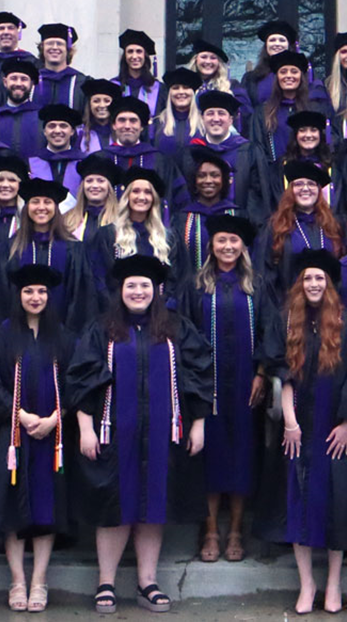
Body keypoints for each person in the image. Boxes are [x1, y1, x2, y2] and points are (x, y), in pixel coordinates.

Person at [67, 255, 213, 615]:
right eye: (131, 285)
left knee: (152, 505)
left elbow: (199, 374)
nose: (138, 291)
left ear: (156, 290)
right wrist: (85, 427)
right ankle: (106, 582)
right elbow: (83, 376)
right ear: (121, 290)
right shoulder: (102, 329)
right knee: (114, 505)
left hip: (164, 433)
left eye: (145, 285)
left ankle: (147, 581)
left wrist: (198, 423)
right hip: (114, 432)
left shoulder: (176, 328)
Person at [255, 249, 347, 615]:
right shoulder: (287, 321)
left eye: (320, 278)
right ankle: (308, 583)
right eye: (307, 278)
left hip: (335, 426)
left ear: (330, 284)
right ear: (299, 285)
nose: (314, 284)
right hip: (299, 427)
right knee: (298, 500)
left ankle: (334, 581)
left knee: (337, 503)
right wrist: (289, 422)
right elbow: (281, 370)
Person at [176, 216, 269, 564]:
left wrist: (261, 371)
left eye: (234, 240)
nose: (228, 246)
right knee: (211, 454)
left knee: (243, 451)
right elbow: (183, 332)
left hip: (247, 383)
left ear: (243, 246)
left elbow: (269, 330)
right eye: (220, 241)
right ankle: (211, 528)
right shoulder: (196, 285)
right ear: (210, 245)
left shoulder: (256, 285)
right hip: (207, 383)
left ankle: (236, 530)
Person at [0, 264, 73, 613]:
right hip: (12, 436)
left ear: (49, 297)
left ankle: (40, 580)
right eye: (29, 292)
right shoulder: (1, 335)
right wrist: (17, 414)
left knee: (47, 506)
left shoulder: (64, 337)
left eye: (42, 292)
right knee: (10, 506)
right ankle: (17, 579)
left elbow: (75, 382)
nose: (35, 297)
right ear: (18, 297)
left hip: (54, 438)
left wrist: (55, 418)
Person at [0, 177, 93, 331]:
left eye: (47, 202)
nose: (41, 207)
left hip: (62, 337)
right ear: (27, 207)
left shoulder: (74, 249)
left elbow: (80, 299)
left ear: (56, 209)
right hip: (17, 335)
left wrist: (69, 337)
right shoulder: (10, 248)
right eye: (35, 201)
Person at [87, 168, 182, 303]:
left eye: (148, 192)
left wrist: (162, 306)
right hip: (116, 311)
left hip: (159, 312)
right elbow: (99, 277)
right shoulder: (108, 234)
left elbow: (174, 279)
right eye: (135, 191)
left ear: (153, 199)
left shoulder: (168, 238)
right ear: (127, 197)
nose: (141, 197)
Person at [253, 161, 345, 300]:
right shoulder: (276, 226)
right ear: (290, 190)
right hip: (288, 306)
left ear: (319, 190)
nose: (305, 188)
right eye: (299, 184)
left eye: (311, 184)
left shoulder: (333, 225)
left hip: (329, 306)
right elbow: (266, 273)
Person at [178, 91, 268, 218]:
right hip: (199, 225)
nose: (216, 119)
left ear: (231, 120)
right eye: (210, 113)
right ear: (202, 118)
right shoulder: (191, 153)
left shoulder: (249, 151)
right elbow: (187, 194)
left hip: (238, 226)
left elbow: (256, 197)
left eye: (221, 113)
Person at [96, 96, 183, 209]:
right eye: (122, 120)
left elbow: (175, 198)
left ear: (141, 126)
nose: (127, 126)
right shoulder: (100, 160)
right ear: (114, 125)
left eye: (133, 121)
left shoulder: (160, 161)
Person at [170, 149, 241, 277]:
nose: (208, 181)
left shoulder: (238, 216)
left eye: (215, 175)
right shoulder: (182, 219)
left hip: (228, 291)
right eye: (201, 175)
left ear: (224, 180)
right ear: (195, 182)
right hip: (190, 291)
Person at [249, 50, 323, 163]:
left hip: (306, 175)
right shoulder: (263, 112)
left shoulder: (314, 109)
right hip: (272, 175)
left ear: (301, 77)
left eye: (294, 71)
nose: (289, 76)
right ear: (277, 77)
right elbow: (258, 150)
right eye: (283, 72)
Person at [265, 110, 341, 211]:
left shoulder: (332, 166)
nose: (308, 135)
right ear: (296, 135)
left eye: (313, 130)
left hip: (325, 222)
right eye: (302, 130)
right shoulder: (281, 166)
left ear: (320, 135)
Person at [187, 39, 254, 133]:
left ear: (219, 63)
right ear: (195, 60)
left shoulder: (233, 87)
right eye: (204, 57)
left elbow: (246, 117)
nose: (208, 61)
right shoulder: (186, 88)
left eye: (213, 58)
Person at [28, 103, 87, 203]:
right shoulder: (31, 163)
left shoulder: (84, 163)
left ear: (72, 131)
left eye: (63, 126)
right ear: (44, 131)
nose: (57, 131)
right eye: (52, 126)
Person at [0, 58, 43, 158]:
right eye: (13, 78)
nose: (18, 84)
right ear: (5, 82)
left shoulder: (42, 117)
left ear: (32, 84)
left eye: (24, 79)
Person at [64, 155, 121, 242]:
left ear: (109, 187)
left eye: (100, 181)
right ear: (83, 186)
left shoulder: (121, 218)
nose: (94, 186)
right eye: (89, 181)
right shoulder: (68, 219)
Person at [149, 67, 204, 158]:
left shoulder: (204, 123)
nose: (181, 92)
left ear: (193, 93)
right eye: (175, 88)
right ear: (169, 93)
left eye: (186, 88)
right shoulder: (157, 124)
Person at [34, 23, 88, 109]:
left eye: (60, 44)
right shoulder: (31, 82)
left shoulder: (81, 82)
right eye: (50, 43)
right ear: (42, 48)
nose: (55, 47)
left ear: (68, 49)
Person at [114, 29, 164, 115]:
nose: (134, 56)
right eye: (130, 51)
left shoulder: (159, 88)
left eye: (139, 51)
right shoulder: (114, 86)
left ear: (145, 56)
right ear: (125, 56)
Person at [0, 10, 37, 81]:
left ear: (18, 33)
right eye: (1, 28)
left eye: (11, 28)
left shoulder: (31, 62)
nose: (6, 32)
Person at [80, 78, 119, 153]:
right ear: (89, 105)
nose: (102, 105)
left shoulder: (120, 132)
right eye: (96, 101)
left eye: (107, 101)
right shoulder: (79, 133)